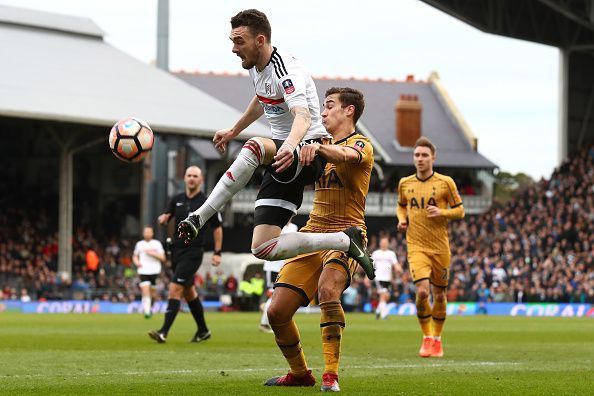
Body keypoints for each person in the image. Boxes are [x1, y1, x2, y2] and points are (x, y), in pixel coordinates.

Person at [177, 9, 374, 280]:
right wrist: (234, 129)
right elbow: (261, 99)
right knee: (262, 247)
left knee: (255, 147)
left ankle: (200, 216)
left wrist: (288, 146)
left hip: (305, 152)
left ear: (260, 40)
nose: (234, 49)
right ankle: (343, 241)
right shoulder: (257, 68)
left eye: (239, 41)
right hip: (283, 156)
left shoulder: (285, 69)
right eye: (232, 41)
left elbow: (303, 116)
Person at [263, 87, 373, 392]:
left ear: (349, 111)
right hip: (312, 233)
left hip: (346, 235)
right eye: (322, 107)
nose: (323, 112)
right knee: (277, 313)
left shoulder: (361, 144)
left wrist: (318, 148)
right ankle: (300, 373)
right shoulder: (315, 144)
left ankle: (331, 375)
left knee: (327, 290)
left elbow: (344, 155)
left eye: (329, 106)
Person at [396, 137, 465, 358]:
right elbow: (401, 205)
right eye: (417, 155)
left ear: (433, 157)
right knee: (423, 292)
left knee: (440, 295)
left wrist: (442, 212)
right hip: (416, 246)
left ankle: (437, 338)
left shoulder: (446, 183)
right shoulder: (405, 183)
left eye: (424, 155)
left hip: (440, 247)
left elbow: (460, 210)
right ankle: (427, 337)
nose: (420, 159)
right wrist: (402, 219)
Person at [148, 166, 223, 344]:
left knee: (175, 288)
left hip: (193, 252)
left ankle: (163, 332)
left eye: (195, 176)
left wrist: (217, 252)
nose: (191, 178)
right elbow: (168, 214)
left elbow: (217, 228)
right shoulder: (177, 199)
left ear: (201, 180)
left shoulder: (208, 202)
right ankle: (203, 331)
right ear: (184, 178)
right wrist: (164, 218)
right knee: (189, 293)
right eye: (189, 175)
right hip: (176, 251)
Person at [259, 218, 298, 333]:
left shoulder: (294, 228)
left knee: (279, 295)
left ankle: (268, 317)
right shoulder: (275, 226)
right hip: (272, 267)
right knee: (273, 295)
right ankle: (264, 323)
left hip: (283, 266)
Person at [133, 226, 165, 318]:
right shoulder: (139, 244)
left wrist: (152, 253)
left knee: (154, 295)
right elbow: (135, 256)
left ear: (152, 233)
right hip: (143, 270)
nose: (147, 234)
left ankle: (150, 308)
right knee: (145, 290)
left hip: (155, 271)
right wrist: (137, 262)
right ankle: (147, 312)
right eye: (145, 232)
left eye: (149, 232)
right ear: (143, 233)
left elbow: (163, 258)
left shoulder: (157, 244)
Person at [371, 236, 401, 320]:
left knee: (386, 296)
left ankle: (377, 311)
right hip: (378, 277)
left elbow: (395, 264)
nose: (384, 244)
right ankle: (384, 315)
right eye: (382, 243)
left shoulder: (391, 254)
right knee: (383, 295)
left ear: (388, 244)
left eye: (385, 243)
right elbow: (371, 265)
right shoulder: (376, 253)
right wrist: (367, 276)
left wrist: (399, 269)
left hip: (387, 278)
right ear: (380, 244)